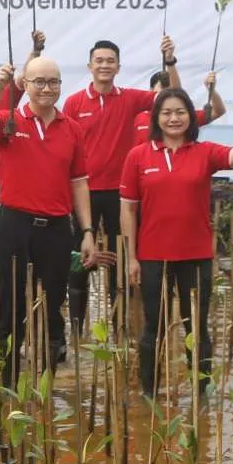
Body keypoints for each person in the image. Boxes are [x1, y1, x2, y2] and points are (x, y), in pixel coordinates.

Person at [121, 87, 233, 397]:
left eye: (180, 112)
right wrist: (131, 257)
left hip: (195, 256)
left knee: (196, 326)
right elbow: (128, 210)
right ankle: (149, 394)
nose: (174, 118)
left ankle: (201, 394)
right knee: (153, 326)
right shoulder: (138, 156)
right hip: (153, 256)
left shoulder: (205, 152)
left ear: (190, 117)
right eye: (166, 113)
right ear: (156, 118)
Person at [0, 56, 96, 385]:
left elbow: (79, 182)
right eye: (39, 81)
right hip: (14, 225)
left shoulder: (72, 128)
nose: (47, 88)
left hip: (56, 228)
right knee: (10, 306)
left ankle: (45, 386)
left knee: (52, 304)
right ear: (25, 85)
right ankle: (8, 384)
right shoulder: (11, 121)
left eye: (53, 81)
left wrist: (87, 231)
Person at [64, 37, 177, 331]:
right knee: (79, 261)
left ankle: (120, 331)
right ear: (90, 66)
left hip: (121, 194)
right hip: (84, 192)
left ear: (118, 67)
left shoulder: (131, 98)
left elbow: (173, 97)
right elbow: (65, 145)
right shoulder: (74, 102)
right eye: (99, 60)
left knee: (121, 259)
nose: (104, 65)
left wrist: (169, 61)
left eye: (110, 61)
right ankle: (76, 333)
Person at [132, 70, 223, 146]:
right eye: (163, 87)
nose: (167, 92)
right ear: (151, 89)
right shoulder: (138, 117)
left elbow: (217, 111)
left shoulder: (185, 116)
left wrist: (211, 90)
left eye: (170, 88)